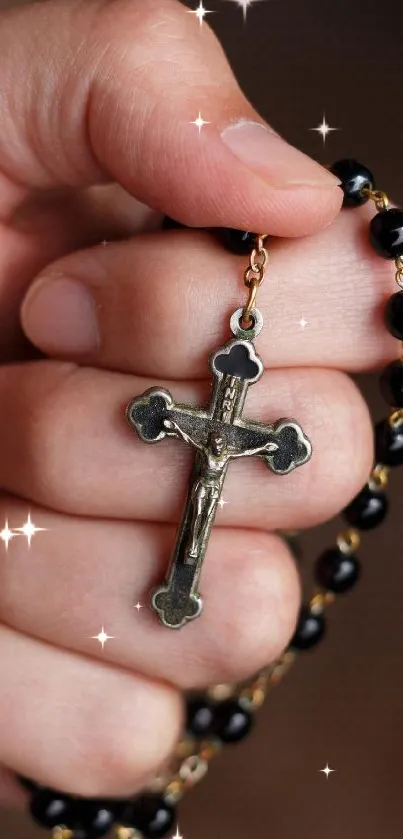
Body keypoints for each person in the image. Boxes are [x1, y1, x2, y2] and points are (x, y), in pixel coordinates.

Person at [0, 0, 385, 814]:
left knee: (210, 510)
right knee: (209, 518)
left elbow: (253, 445)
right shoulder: (193, 418)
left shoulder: (234, 430)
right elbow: (176, 422)